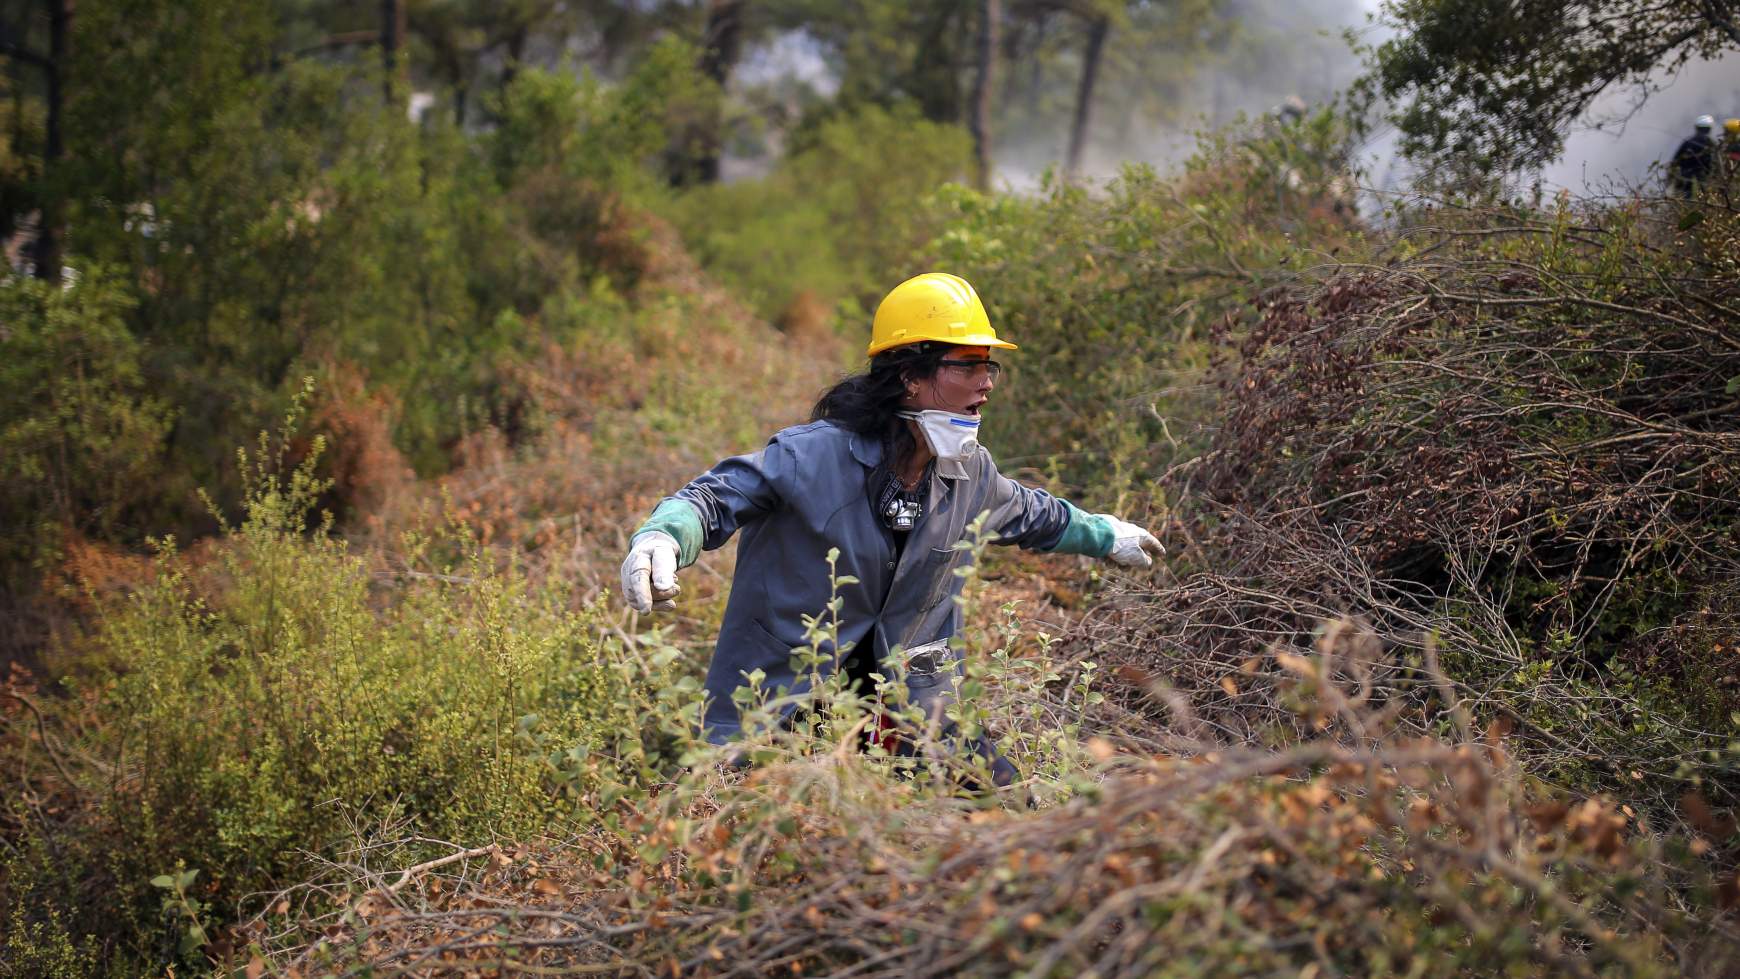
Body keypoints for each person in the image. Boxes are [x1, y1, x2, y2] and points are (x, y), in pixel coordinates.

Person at [619, 272, 1162, 780]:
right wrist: (664, 536)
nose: (985, 383)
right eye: (966, 366)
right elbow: (716, 495)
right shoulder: (811, 457)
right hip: (780, 705)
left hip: (912, 709)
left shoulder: (970, 471)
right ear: (910, 377)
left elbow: (1032, 513)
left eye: (988, 367)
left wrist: (1105, 535)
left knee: (1007, 804)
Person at [1669, 115, 1718, 197]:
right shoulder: (1711, 144)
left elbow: (1675, 161)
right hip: (1703, 180)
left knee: (1684, 200)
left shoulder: (1687, 142)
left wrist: (1670, 178)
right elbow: (1716, 165)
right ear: (1709, 129)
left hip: (1685, 178)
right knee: (1703, 201)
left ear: (1696, 128)